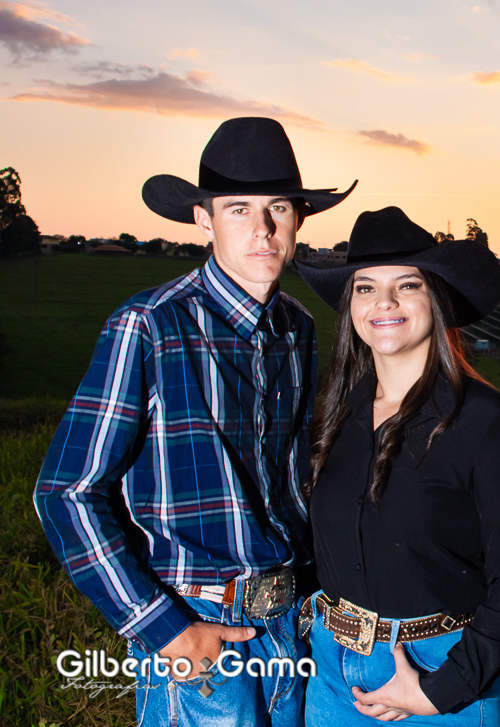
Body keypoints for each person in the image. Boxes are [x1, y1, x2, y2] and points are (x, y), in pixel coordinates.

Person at [34, 116, 355, 726]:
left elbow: (293, 481)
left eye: (278, 208)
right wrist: (163, 629)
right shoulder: (150, 325)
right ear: (203, 219)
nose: (262, 229)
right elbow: (66, 492)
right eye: (238, 209)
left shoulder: (298, 327)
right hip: (200, 629)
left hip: (293, 625)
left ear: (299, 219)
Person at [295, 206, 500, 725]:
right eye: (365, 288)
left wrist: (445, 689)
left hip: (438, 672)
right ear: (350, 306)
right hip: (330, 674)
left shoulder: (486, 421)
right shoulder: (336, 417)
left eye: (406, 285)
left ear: (435, 298)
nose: (384, 302)